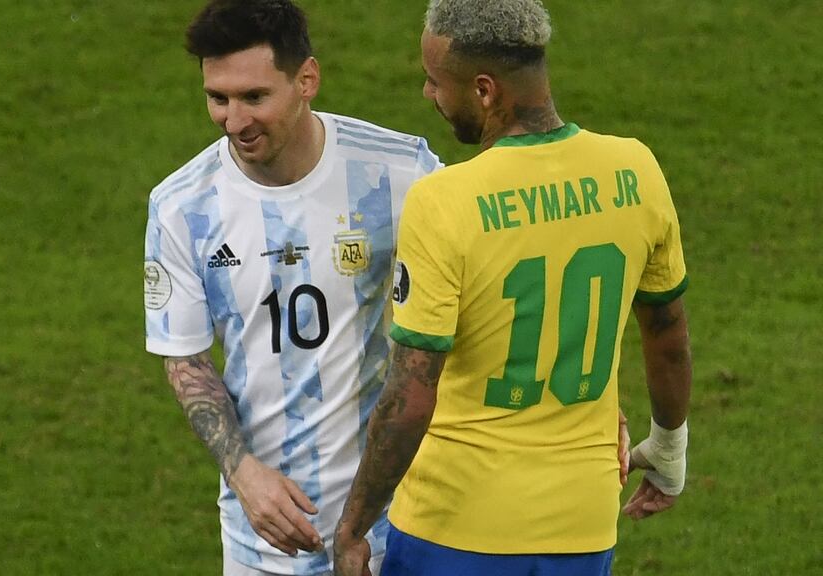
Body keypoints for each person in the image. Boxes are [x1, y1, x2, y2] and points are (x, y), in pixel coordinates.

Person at [333, 0, 693, 575]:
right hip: (581, 525)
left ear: (484, 90)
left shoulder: (444, 200)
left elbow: (411, 391)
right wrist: (670, 448)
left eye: (434, 81)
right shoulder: (636, 169)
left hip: (453, 526)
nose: (429, 95)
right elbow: (667, 334)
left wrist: (353, 527)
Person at [143, 0, 444, 573]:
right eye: (218, 98)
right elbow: (186, 360)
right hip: (266, 540)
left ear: (307, 79)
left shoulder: (402, 173)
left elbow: (486, 298)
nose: (234, 121)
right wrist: (243, 472)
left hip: (405, 523)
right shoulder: (182, 207)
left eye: (254, 97)